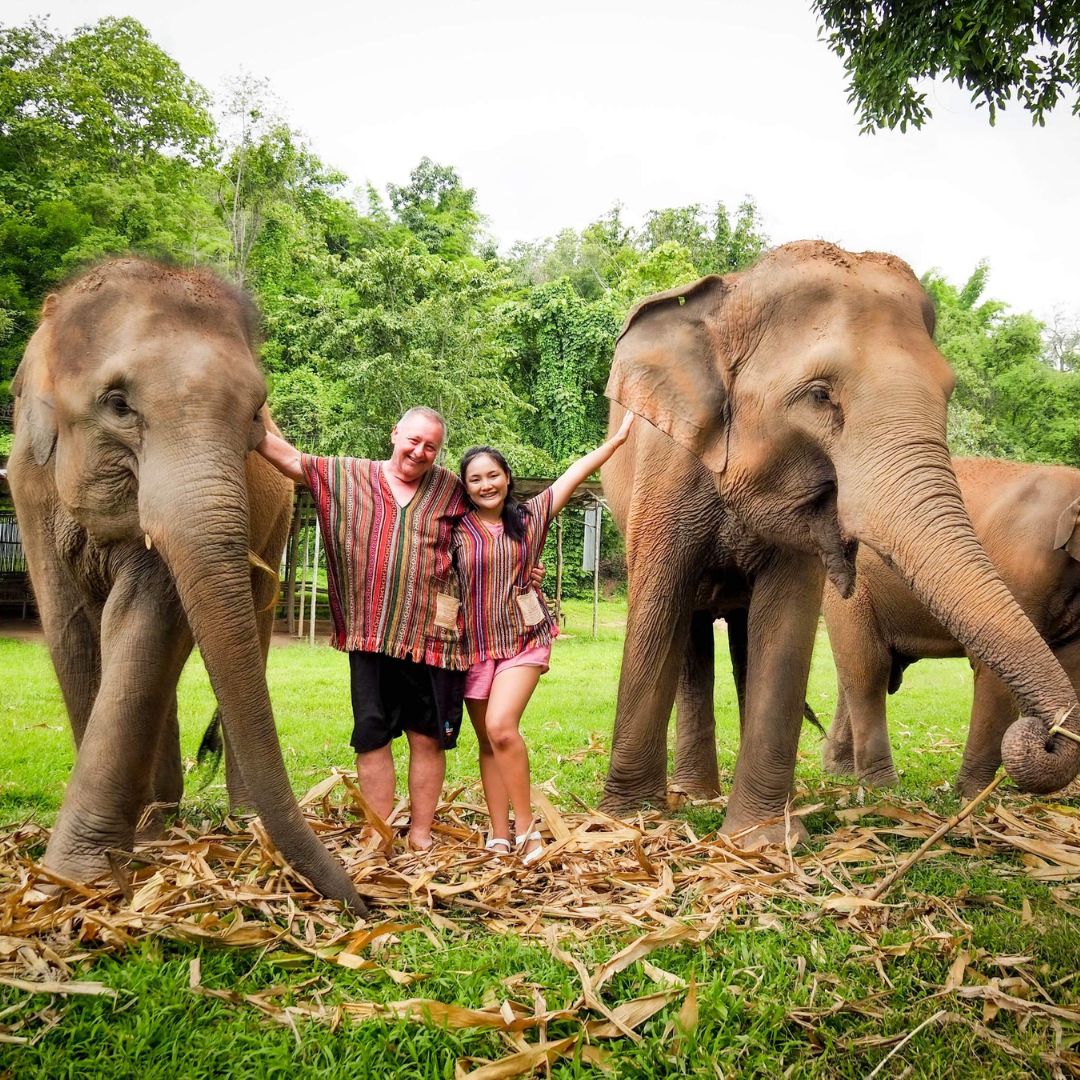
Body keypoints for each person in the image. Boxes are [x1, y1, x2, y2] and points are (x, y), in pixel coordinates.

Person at [256, 407, 468, 851]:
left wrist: (526, 566)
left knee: (426, 737)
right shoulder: (349, 475)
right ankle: (379, 830)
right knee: (372, 737)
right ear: (394, 433)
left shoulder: (452, 488)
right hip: (370, 634)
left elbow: (495, 522)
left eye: (431, 446)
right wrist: (245, 417)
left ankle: (423, 834)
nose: (420, 451)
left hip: (434, 638)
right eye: (413, 440)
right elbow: (291, 461)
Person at [455, 412, 634, 864]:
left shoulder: (530, 516)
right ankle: (498, 833)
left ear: (507, 477)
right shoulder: (453, 529)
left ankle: (526, 828)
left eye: (492, 475)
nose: (485, 484)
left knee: (502, 727)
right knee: (487, 742)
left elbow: (575, 472)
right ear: (465, 486)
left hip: (523, 638)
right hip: (472, 646)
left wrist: (617, 439)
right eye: (475, 479)